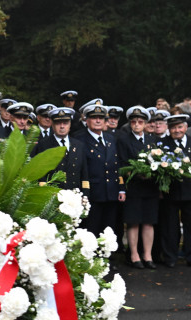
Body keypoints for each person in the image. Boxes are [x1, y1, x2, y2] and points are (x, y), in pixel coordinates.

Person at [117, 106, 159, 269]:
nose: (136, 124)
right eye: (133, 121)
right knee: (133, 222)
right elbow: (121, 163)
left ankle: (147, 255)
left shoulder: (151, 140)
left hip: (150, 188)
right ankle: (134, 254)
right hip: (133, 187)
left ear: (145, 123)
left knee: (149, 222)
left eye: (140, 122)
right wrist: (134, 173)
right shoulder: (124, 140)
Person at [74, 104, 125, 236]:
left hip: (111, 191)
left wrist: (121, 187)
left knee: (109, 229)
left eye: (101, 118)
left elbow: (116, 164)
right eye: (94, 117)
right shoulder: (79, 139)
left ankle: (107, 255)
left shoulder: (110, 138)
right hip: (93, 194)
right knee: (91, 229)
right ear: (87, 120)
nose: (98, 121)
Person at [30, 107, 89, 195]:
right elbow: (41, 176)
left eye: (65, 123)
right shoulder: (43, 145)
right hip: (52, 196)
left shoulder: (79, 145)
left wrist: (85, 196)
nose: (62, 126)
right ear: (52, 124)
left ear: (70, 124)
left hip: (75, 196)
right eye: (58, 123)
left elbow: (84, 174)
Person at [160, 114, 191, 268]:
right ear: (169, 129)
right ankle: (170, 257)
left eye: (179, 127)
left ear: (185, 127)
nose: (177, 130)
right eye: (173, 127)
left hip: (190, 191)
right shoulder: (162, 145)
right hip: (170, 192)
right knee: (169, 226)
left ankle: (189, 256)